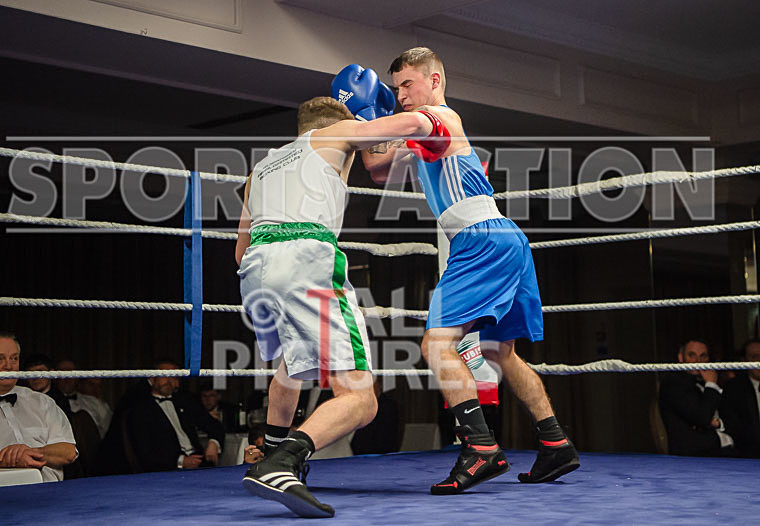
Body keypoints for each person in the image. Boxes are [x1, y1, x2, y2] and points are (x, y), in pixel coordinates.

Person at [350, 48, 579, 493]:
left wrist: (352, 122)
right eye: (394, 89)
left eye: (407, 85)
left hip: (481, 240)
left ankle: (481, 448)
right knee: (499, 353)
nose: (400, 96)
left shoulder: (440, 117)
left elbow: (404, 126)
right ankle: (555, 443)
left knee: (437, 345)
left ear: (434, 81)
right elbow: (377, 168)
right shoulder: (420, 138)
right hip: (502, 239)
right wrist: (366, 116)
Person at [236, 94, 445, 517]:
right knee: (362, 399)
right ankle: (282, 463)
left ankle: (273, 455)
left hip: (256, 270)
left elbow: (239, 251)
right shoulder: (332, 134)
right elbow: (400, 130)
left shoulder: (262, 167)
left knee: (291, 369)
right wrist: (433, 114)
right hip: (306, 259)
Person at [0, 333, 77, 482]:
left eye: (14, 358)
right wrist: (5, 460)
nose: (9, 366)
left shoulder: (42, 402)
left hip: (48, 495)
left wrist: (30, 453)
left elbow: (68, 452)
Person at [126, 360, 225, 473]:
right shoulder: (141, 409)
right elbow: (144, 451)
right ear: (152, 379)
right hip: (166, 470)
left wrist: (214, 443)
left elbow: (214, 425)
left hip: (200, 464)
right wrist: (181, 461)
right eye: (164, 376)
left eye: (174, 377)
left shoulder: (186, 402)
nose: (169, 381)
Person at [659, 339, 735, 456]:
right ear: (681, 358)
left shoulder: (710, 381)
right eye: (691, 355)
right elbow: (702, 418)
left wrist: (719, 423)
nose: (697, 361)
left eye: (703, 356)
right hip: (695, 455)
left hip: (723, 447)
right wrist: (711, 384)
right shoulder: (673, 383)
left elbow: (732, 417)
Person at [54, 359, 113, 439]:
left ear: (77, 377)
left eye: (71, 373)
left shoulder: (94, 403)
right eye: (63, 373)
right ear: (54, 377)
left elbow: (109, 430)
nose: (67, 378)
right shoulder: (46, 403)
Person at [721, 339, 760, 458]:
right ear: (744, 361)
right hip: (748, 456)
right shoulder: (734, 388)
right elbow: (733, 426)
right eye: (754, 357)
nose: (758, 361)